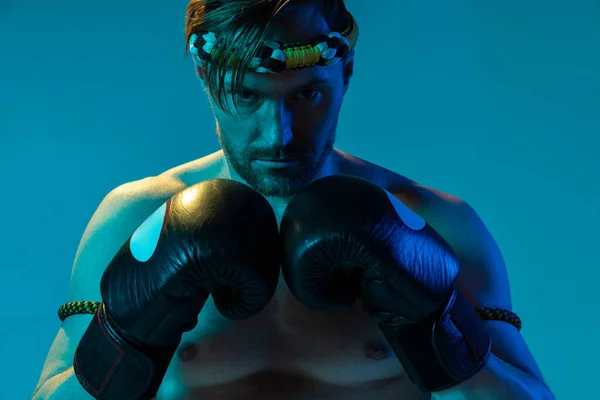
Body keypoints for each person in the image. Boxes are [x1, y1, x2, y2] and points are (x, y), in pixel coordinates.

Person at [32, 1, 554, 399]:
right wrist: (126, 337)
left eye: (307, 94)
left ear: (345, 73)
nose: (278, 134)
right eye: (247, 95)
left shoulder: (437, 223)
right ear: (205, 79)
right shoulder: (133, 218)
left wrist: (440, 325)